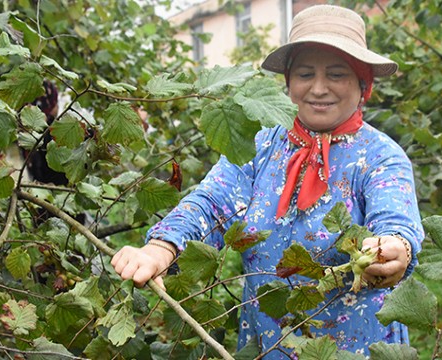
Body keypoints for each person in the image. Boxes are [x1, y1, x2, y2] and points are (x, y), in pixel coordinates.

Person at [111, 4, 423, 357]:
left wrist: (394, 249)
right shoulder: (260, 145)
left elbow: (397, 225)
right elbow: (213, 203)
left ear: (363, 84)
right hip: (268, 342)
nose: (319, 88)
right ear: (289, 83)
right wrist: (162, 247)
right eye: (305, 74)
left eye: (337, 74)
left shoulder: (380, 155)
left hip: (357, 345)